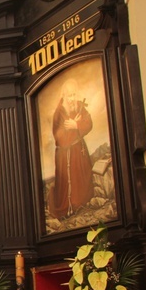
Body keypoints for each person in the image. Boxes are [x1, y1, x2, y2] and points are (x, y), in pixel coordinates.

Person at [48, 78, 95, 219]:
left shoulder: (80, 106)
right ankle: (70, 207)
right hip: (65, 155)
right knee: (69, 183)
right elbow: (59, 136)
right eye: (69, 95)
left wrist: (77, 125)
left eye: (74, 95)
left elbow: (89, 124)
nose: (72, 99)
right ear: (64, 95)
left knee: (83, 178)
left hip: (79, 151)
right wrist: (73, 127)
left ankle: (83, 203)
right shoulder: (59, 113)